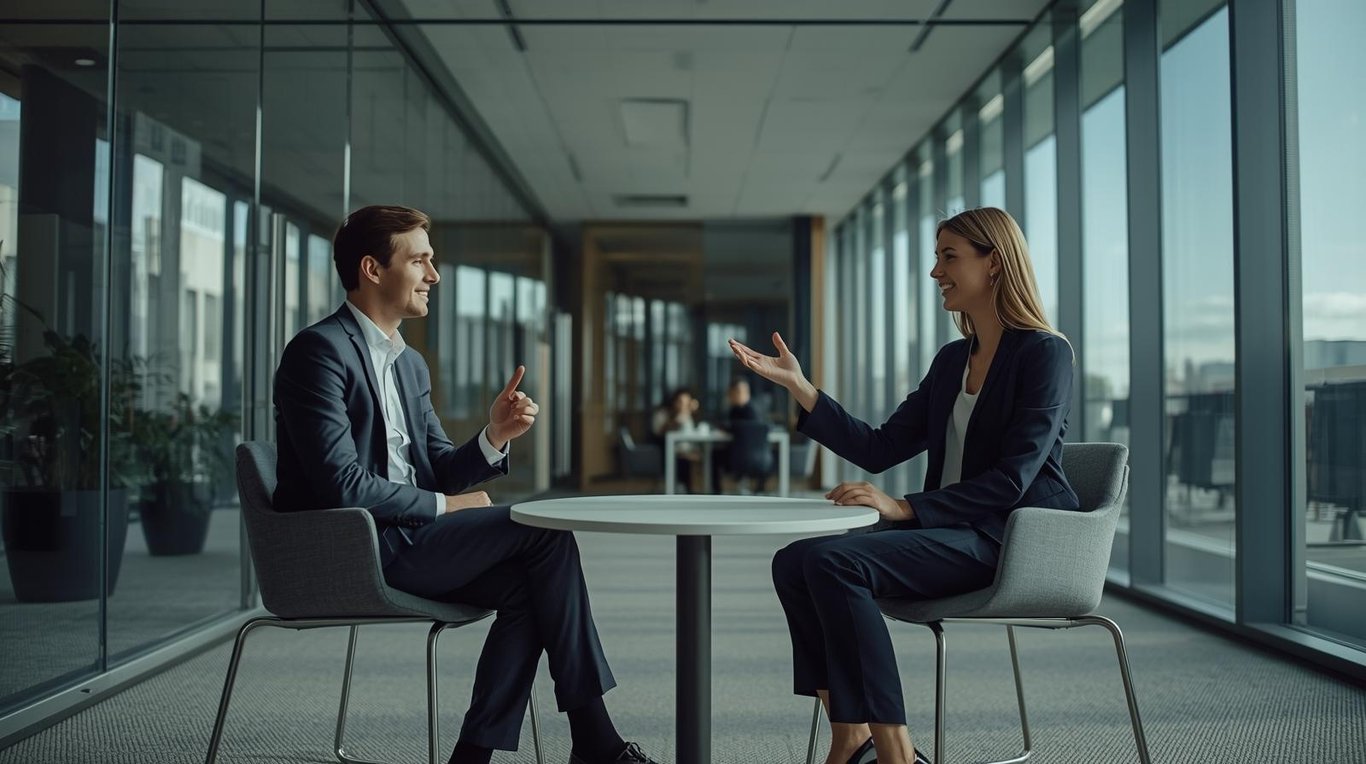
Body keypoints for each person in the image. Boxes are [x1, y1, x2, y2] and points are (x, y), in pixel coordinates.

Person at [273, 205, 658, 764]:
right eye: (421, 260)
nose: (435, 276)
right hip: (359, 546)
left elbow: (436, 466)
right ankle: (595, 740)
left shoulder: (410, 366)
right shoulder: (319, 352)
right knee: (544, 532)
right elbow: (341, 484)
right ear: (372, 269)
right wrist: (445, 506)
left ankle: (481, 757)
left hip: (412, 539)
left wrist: (493, 437)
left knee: (532, 589)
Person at [729, 207, 1078, 764]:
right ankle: (851, 735)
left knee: (834, 563)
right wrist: (800, 387)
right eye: (937, 257)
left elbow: (1014, 478)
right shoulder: (951, 361)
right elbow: (880, 446)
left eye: (949, 257)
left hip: (1008, 539)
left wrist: (902, 507)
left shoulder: (1045, 352)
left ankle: (894, 751)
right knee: (794, 561)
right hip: (955, 532)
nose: (935, 271)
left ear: (994, 263)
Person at [650, 387, 701, 492]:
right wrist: (678, 417)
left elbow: (690, 435)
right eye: (681, 402)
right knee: (684, 459)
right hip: (665, 449)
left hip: (685, 449)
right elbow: (660, 432)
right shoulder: (663, 414)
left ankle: (691, 489)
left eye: (686, 403)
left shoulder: (687, 415)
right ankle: (686, 489)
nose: (683, 405)